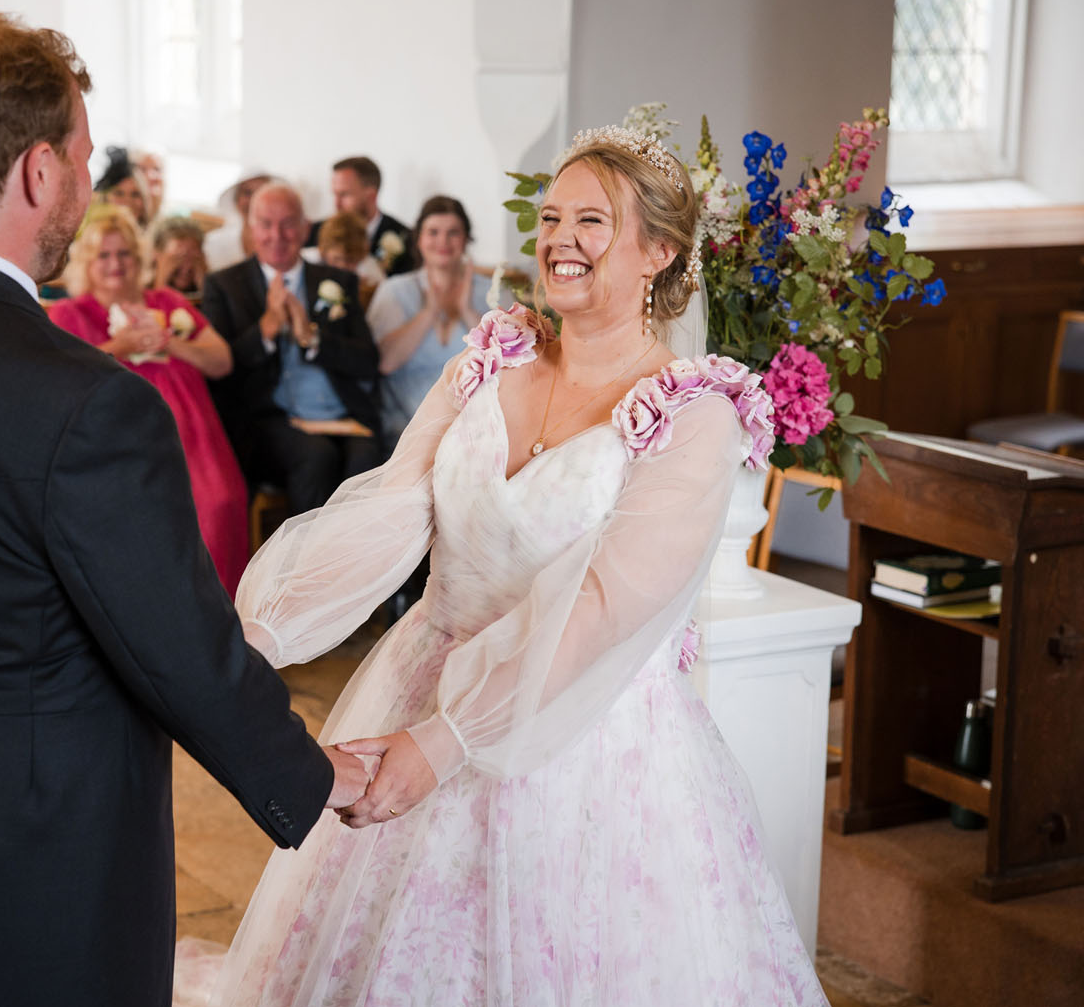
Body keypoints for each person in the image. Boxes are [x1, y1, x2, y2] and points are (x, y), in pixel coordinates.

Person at [0, 14, 365, 1007]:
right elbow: (176, 646)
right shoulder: (86, 399)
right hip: (25, 826)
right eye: (86, 158)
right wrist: (318, 776)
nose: (89, 185)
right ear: (39, 171)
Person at [184, 128, 825, 1006]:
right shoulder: (496, 356)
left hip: (580, 738)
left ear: (661, 252)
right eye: (551, 216)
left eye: (592, 220)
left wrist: (444, 742)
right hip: (420, 673)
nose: (560, 238)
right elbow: (396, 502)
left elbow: (602, 608)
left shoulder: (694, 415)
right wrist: (248, 638)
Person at [49, 206, 248, 596]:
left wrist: (168, 340)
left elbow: (222, 361)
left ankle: (220, 624)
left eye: (123, 253)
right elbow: (60, 380)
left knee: (219, 506)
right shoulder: (69, 314)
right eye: (103, 255)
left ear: (139, 258)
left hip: (192, 437)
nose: (115, 264)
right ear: (87, 262)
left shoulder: (168, 303)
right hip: (118, 442)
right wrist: (118, 347)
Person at [201, 181, 382, 517]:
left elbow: (367, 361)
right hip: (270, 421)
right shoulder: (224, 286)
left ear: (305, 228)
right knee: (316, 455)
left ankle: (360, 568)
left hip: (342, 416)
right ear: (251, 228)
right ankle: (306, 566)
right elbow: (221, 374)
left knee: (368, 460)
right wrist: (267, 328)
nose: (277, 235)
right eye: (266, 224)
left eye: (287, 224)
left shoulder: (337, 282)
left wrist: (312, 338)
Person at [366, 195, 493, 441]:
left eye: (453, 232)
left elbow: (508, 366)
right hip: (407, 428)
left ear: (466, 239)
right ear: (419, 239)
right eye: (433, 232)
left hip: (475, 429)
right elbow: (385, 363)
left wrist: (466, 310)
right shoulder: (394, 290)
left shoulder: (492, 291)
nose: (442, 241)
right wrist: (429, 313)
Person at [308, 156, 413, 275]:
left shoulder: (406, 239)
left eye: (344, 195)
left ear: (371, 196)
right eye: (335, 195)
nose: (336, 204)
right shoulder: (315, 233)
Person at [304, 210, 383, 300]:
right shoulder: (306, 262)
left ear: (362, 258)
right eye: (336, 259)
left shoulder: (372, 274)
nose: (342, 266)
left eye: (350, 260)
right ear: (323, 252)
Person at [149, 215, 208, 297]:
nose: (186, 268)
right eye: (177, 258)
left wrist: (205, 284)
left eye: (194, 259)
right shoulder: (140, 291)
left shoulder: (212, 292)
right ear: (156, 254)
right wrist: (162, 278)